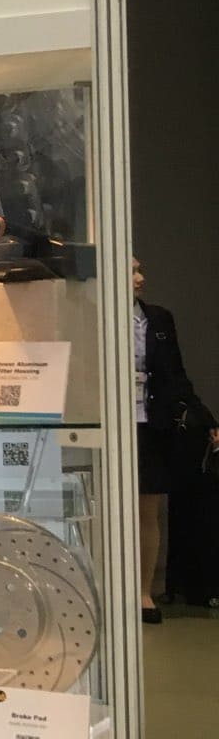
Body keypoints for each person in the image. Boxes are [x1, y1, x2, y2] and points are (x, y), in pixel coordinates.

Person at [134, 256, 216, 624]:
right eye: (132, 271)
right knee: (107, 505)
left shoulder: (158, 318)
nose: (140, 278)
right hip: (111, 422)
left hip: (151, 422)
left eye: (140, 270)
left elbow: (176, 374)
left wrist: (204, 416)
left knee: (148, 507)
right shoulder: (93, 315)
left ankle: (143, 592)